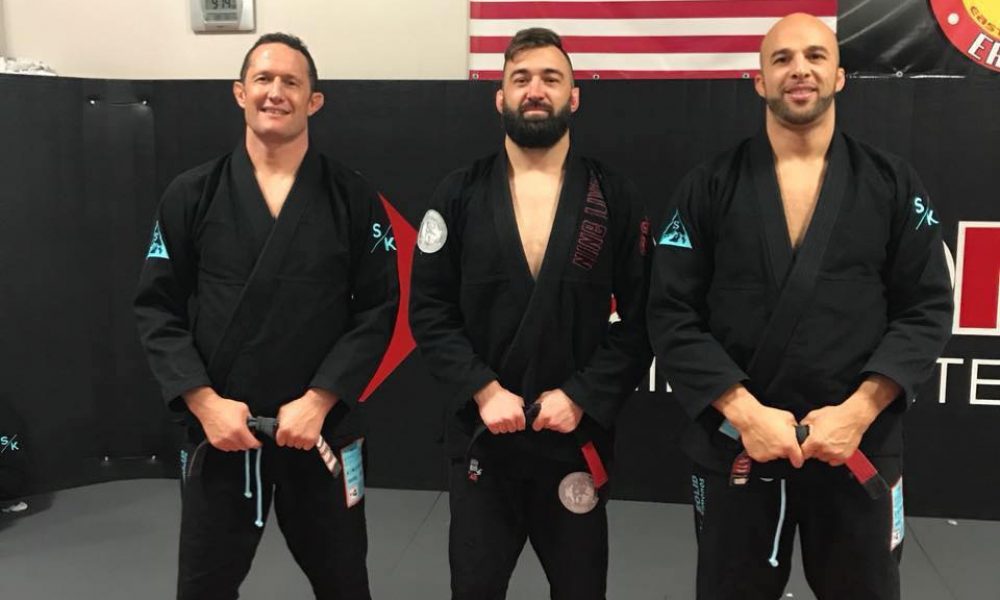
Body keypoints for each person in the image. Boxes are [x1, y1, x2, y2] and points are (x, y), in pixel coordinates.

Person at [647, 13, 953, 600]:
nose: (799, 70)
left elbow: (926, 307)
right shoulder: (710, 184)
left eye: (815, 56)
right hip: (739, 445)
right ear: (759, 82)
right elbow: (671, 312)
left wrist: (860, 411)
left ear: (840, 75)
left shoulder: (890, 181)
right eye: (781, 59)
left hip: (857, 443)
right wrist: (744, 413)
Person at [134, 32, 397, 600]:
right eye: (263, 79)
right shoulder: (192, 193)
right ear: (239, 92)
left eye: (291, 82)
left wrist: (321, 399)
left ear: (314, 101)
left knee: (344, 582)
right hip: (223, 432)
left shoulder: (352, 196)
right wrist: (204, 404)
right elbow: (158, 307)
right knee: (203, 586)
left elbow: (377, 309)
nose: (275, 92)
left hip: (320, 432)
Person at [410, 28, 652, 600]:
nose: (535, 90)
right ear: (500, 97)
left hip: (573, 439)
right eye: (520, 79)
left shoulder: (613, 196)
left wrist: (582, 396)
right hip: (482, 441)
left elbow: (643, 318)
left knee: (580, 588)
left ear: (574, 96)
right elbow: (430, 309)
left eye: (550, 78)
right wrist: (483, 391)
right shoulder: (458, 194)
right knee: (474, 588)